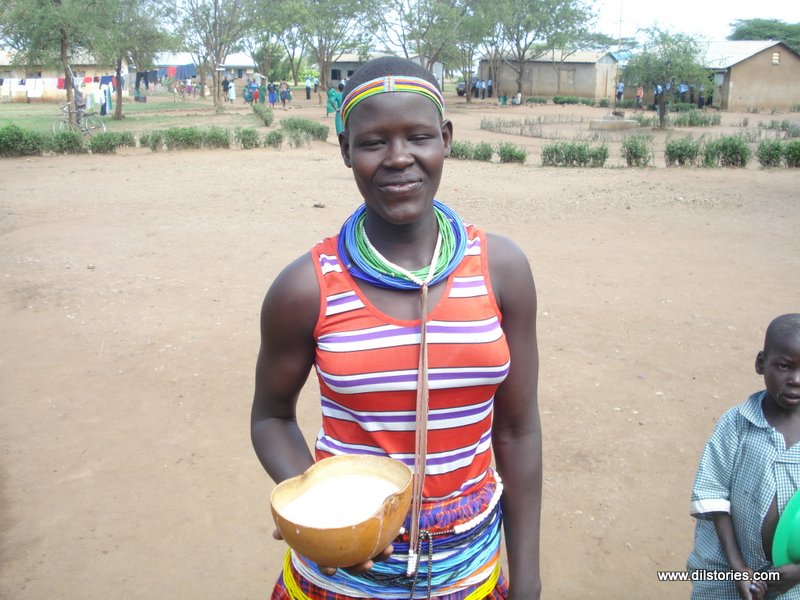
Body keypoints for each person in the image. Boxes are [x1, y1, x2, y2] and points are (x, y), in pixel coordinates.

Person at [251, 56, 542, 599]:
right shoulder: (305, 288)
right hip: (341, 581)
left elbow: (517, 430)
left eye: (418, 136)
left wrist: (528, 579)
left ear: (447, 140)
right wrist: (321, 513)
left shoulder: (501, 271)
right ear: (345, 151)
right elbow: (270, 417)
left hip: (471, 574)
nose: (399, 158)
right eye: (373, 142)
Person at [687, 313, 800, 600]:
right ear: (761, 363)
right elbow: (713, 493)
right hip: (728, 571)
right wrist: (739, 569)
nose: (796, 380)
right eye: (785, 366)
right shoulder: (737, 424)